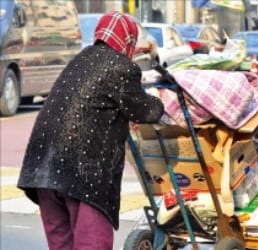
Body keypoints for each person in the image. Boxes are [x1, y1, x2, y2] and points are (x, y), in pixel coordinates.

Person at [17, 11, 164, 250]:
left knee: (61, 245)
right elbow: (146, 112)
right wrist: (158, 100)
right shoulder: (122, 69)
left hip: (42, 170)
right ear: (127, 40)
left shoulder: (81, 59)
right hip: (84, 176)